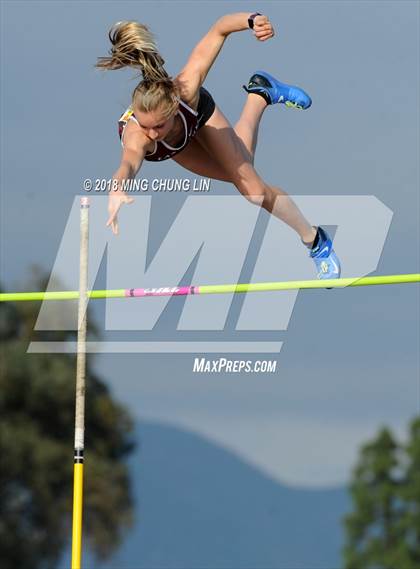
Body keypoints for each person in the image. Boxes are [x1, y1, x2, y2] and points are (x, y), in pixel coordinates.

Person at [96, 11, 341, 280]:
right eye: (146, 126)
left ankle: (315, 242)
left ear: (174, 108)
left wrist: (253, 19)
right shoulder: (139, 136)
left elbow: (219, 30)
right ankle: (260, 94)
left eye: (158, 126)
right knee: (245, 171)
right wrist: (117, 188)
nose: (152, 134)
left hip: (200, 115)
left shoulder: (186, 89)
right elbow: (129, 162)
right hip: (177, 148)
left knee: (254, 191)